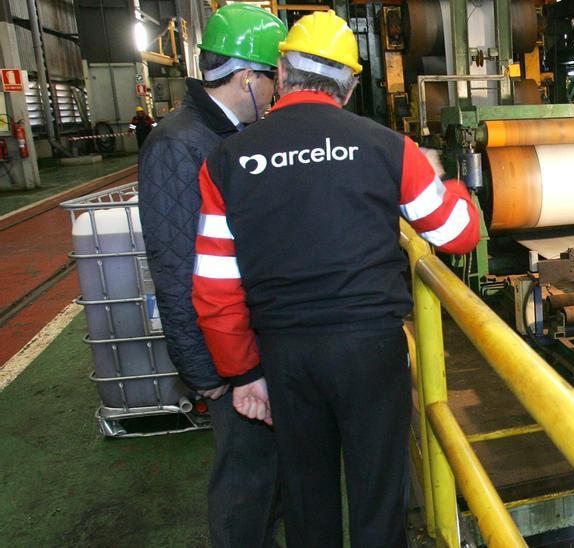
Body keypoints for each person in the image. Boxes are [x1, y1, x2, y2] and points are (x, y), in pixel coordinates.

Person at [191, 10, 480, 547]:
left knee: (307, 497)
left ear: (281, 77)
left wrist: (243, 373)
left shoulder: (226, 161)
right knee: (376, 494)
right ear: (347, 88)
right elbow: (457, 233)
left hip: (286, 357)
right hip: (370, 351)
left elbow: (214, 287)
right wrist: (457, 186)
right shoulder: (386, 147)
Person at [135, 4, 287, 547]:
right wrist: (209, 374)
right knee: (245, 489)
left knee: (269, 480)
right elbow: (176, 269)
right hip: (225, 359)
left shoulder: (223, 135)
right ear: (248, 77)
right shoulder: (180, 145)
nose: (276, 93)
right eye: (274, 78)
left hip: (245, 346)